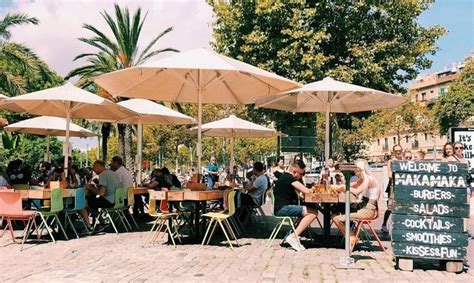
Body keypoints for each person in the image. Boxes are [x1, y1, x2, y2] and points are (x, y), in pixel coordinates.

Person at [332, 159, 380, 245]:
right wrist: (339, 186)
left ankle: (352, 239)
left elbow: (357, 191)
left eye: (356, 170)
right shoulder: (365, 178)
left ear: (360, 170)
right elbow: (352, 185)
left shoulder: (368, 179)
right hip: (364, 207)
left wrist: (344, 188)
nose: (355, 172)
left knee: (338, 218)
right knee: (335, 215)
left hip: (368, 210)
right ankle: (352, 238)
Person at [273, 160, 318, 251]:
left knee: (310, 210)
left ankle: (296, 234)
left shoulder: (286, 177)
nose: (302, 176)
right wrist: (314, 188)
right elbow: (306, 191)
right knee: (313, 212)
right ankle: (293, 236)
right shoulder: (288, 178)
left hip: (283, 207)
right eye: (301, 174)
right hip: (283, 209)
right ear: (294, 171)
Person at [80, 160, 122, 231]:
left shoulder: (103, 175)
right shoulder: (114, 173)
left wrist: (90, 187)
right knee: (92, 200)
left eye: (94, 168)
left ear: (99, 167)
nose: (93, 170)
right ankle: (102, 221)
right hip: (118, 201)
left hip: (109, 201)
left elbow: (101, 193)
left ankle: (89, 226)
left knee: (82, 203)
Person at [381, 144, 403, 234]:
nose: (398, 152)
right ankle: (384, 224)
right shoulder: (391, 161)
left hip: (402, 186)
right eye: (396, 150)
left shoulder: (403, 161)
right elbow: (390, 175)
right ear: (393, 152)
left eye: (399, 150)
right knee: (390, 207)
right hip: (393, 186)